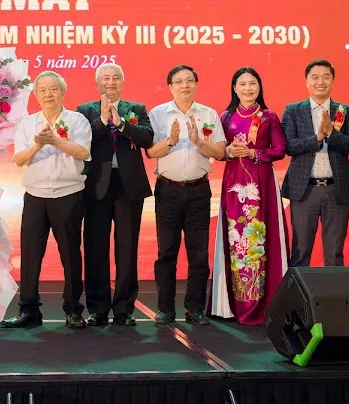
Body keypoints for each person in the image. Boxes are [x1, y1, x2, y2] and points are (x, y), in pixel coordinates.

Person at [3, 71, 92, 329]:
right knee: (31, 255)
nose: (48, 94)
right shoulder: (28, 123)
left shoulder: (77, 120)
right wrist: (38, 146)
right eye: (42, 90)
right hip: (35, 196)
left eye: (53, 89)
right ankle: (28, 310)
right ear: (36, 95)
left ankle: (73, 310)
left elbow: (83, 151)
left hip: (68, 194)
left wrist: (55, 140)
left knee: (70, 255)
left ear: (62, 92)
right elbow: (19, 159)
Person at [146, 66, 226, 326]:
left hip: (198, 191)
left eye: (189, 80)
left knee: (198, 254)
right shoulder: (158, 114)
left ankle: (195, 308)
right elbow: (151, 152)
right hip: (167, 191)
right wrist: (170, 141)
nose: (184, 85)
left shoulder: (209, 114)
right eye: (178, 81)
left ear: (196, 84)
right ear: (170, 87)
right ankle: (165, 309)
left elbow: (220, 152)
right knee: (166, 253)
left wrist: (198, 141)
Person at [76, 63, 154, 327]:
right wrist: (102, 121)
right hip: (96, 185)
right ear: (97, 82)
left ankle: (124, 308)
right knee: (95, 248)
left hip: (128, 185)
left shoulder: (136, 109)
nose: (111, 82)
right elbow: (81, 140)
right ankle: (98, 308)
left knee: (127, 248)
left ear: (123, 82)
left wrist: (121, 124)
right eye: (106, 78)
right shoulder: (84, 111)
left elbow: (147, 138)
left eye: (116, 78)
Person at [210, 67, 288, 325]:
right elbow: (219, 151)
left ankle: (267, 303)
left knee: (262, 236)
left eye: (252, 83)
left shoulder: (269, 116)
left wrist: (255, 153)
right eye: (242, 84)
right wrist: (230, 151)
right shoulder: (225, 117)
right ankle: (237, 303)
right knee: (237, 236)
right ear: (234, 88)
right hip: (234, 183)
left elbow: (280, 149)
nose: (247, 88)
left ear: (259, 87)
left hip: (262, 183)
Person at [281, 60, 349, 267]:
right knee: (300, 252)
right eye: (315, 77)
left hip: (337, 188)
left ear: (333, 80)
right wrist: (317, 138)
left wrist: (332, 133)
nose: (320, 82)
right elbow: (288, 146)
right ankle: (299, 290)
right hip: (304, 189)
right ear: (306, 81)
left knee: (334, 253)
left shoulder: (346, 110)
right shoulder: (293, 111)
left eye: (326, 77)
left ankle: (334, 290)